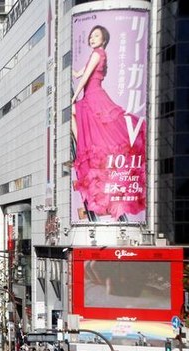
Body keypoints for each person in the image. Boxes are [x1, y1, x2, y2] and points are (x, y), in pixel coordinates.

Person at [71, 24, 146, 221]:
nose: (92, 38)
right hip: (93, 97)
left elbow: (85, 78)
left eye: (97, 35)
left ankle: (82, 154)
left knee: (92, 134)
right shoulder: (97, 55)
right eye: (91, 35)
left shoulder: (98, 53)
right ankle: (84, 154)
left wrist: (74, 97)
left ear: (103, 40)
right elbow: (81, 73)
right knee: (97, 139)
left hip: (94, 99)